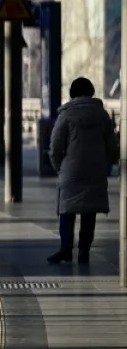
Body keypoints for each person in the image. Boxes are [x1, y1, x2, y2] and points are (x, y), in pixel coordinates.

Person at [47, 77, 118, 264]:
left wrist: (59, 168)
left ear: (72, 93)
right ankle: (84, 251)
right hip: (95, 169)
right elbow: (111, 145)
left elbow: (55, 146)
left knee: (66, 210)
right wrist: (106, 164)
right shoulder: (102, 115)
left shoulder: (66, 115)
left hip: (71, 170)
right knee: (89, 212)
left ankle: (65, 249)